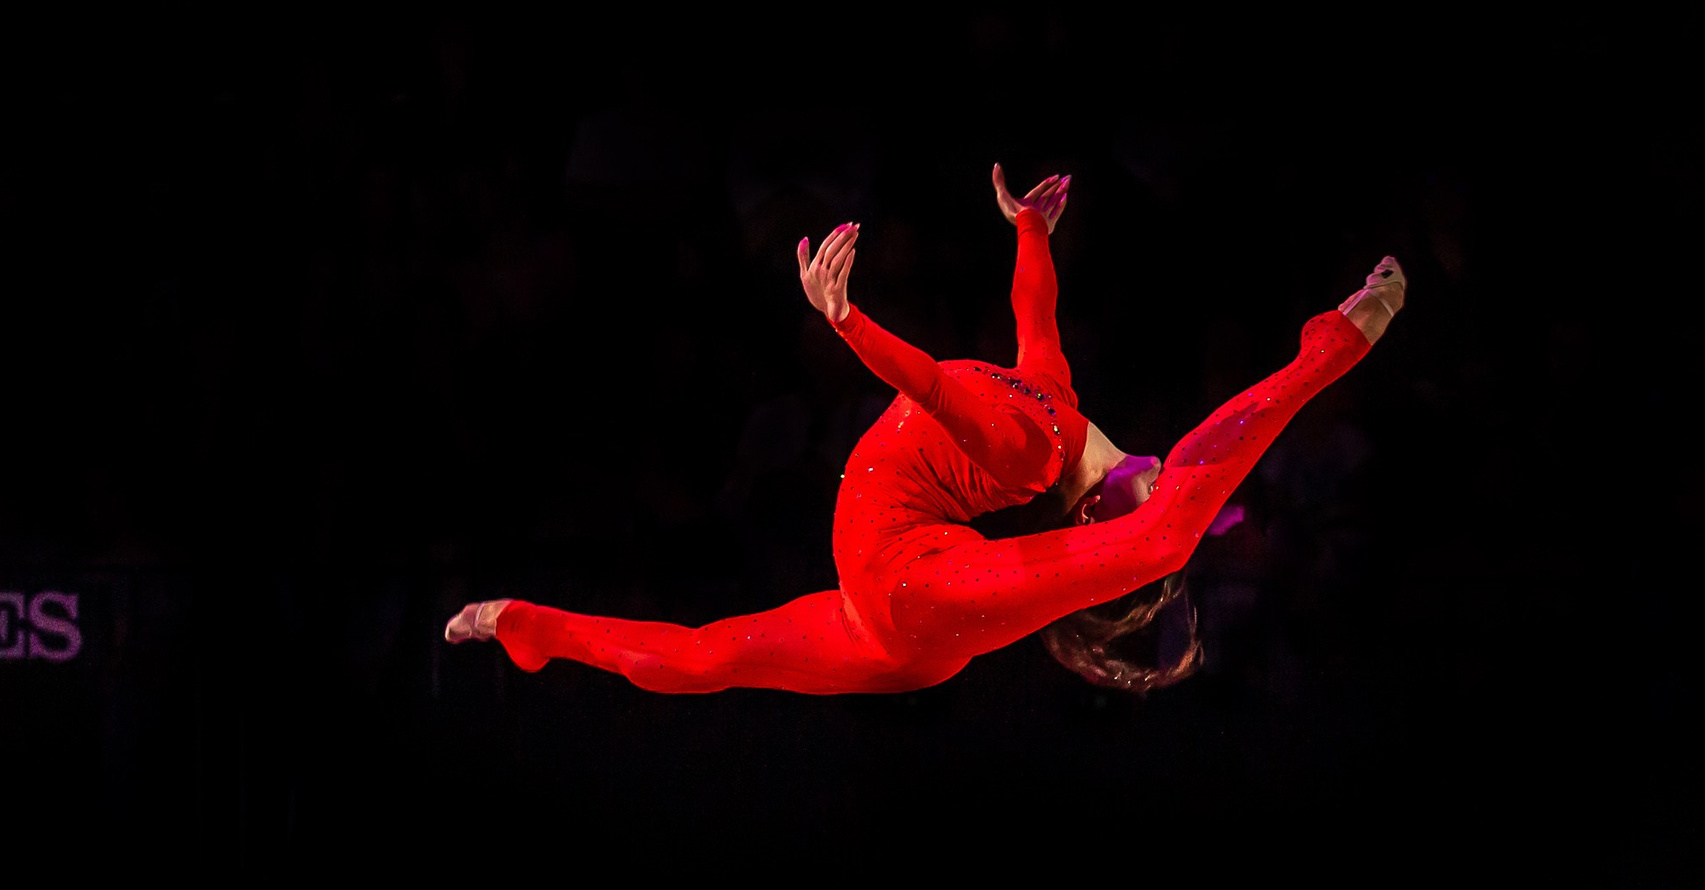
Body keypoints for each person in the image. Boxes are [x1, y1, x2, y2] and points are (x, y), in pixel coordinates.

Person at [445, 168, 1405, 692]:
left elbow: (939, 395)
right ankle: (530, 629)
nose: (1177, 472)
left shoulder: (1035, 456)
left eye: (1145, 497)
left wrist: (847, 323)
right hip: (901, 604)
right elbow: (1038, 319)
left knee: (1166, 540)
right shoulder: (1055, 411)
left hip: (911, 589)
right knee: (708, 656)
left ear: (1103, 504)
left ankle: (1334, 349)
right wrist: (1030, 231)